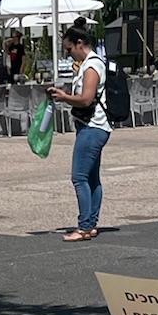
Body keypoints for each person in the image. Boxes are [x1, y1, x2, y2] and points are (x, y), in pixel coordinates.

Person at [48, 20, 109, 242]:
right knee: (92, 178)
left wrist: (64, 97)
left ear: (79, 43)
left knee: (79, 177)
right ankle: (91, 224)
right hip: (95, 126)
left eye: (69, 49)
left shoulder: (92, 65)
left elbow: (86, 99)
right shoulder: (90, 64)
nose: (68, 54)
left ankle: (84, 227)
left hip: (93, 127)